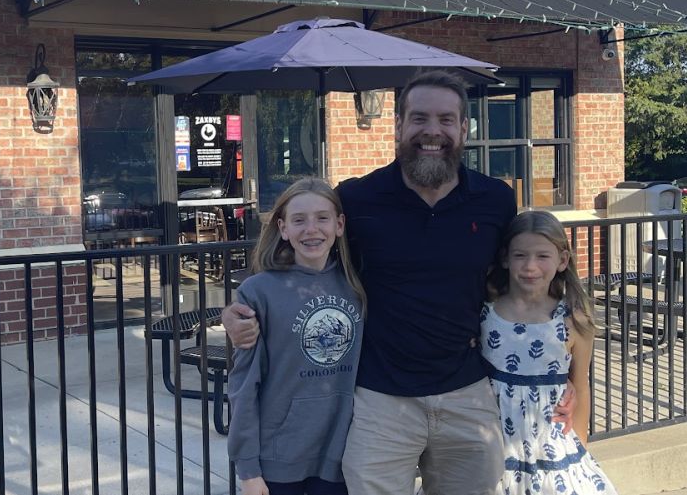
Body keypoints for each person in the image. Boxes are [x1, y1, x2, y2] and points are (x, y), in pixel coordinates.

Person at [223, 69, 574, 495]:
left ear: (464, 128)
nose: (433, 131)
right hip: (379, 400)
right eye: (420, 118)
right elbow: (307, 264)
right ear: (400, 125)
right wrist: (239, 311)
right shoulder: (358, 198)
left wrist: (560, 367)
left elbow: (524, 282)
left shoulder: (495, 199)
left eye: (446, 120)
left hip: (466, 392)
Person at [227, 177, 366, 495]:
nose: (311, 229)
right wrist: (248, 468)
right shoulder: (258, 291)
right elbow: (244, 386)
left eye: (322, 218)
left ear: (339, 224)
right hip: (279, 459)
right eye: (299, 220)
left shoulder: (358, 286)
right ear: (283, 228)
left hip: (341, 457)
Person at [481, 210, 617, 494]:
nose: (530, 266)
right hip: (493, 449)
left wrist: (579, 449)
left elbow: (580, 384)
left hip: (553, 448)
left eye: (542, 256)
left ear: (562, 260)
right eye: (520, 255)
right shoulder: (484, 313)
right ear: (506, 258)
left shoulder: (573, 319)